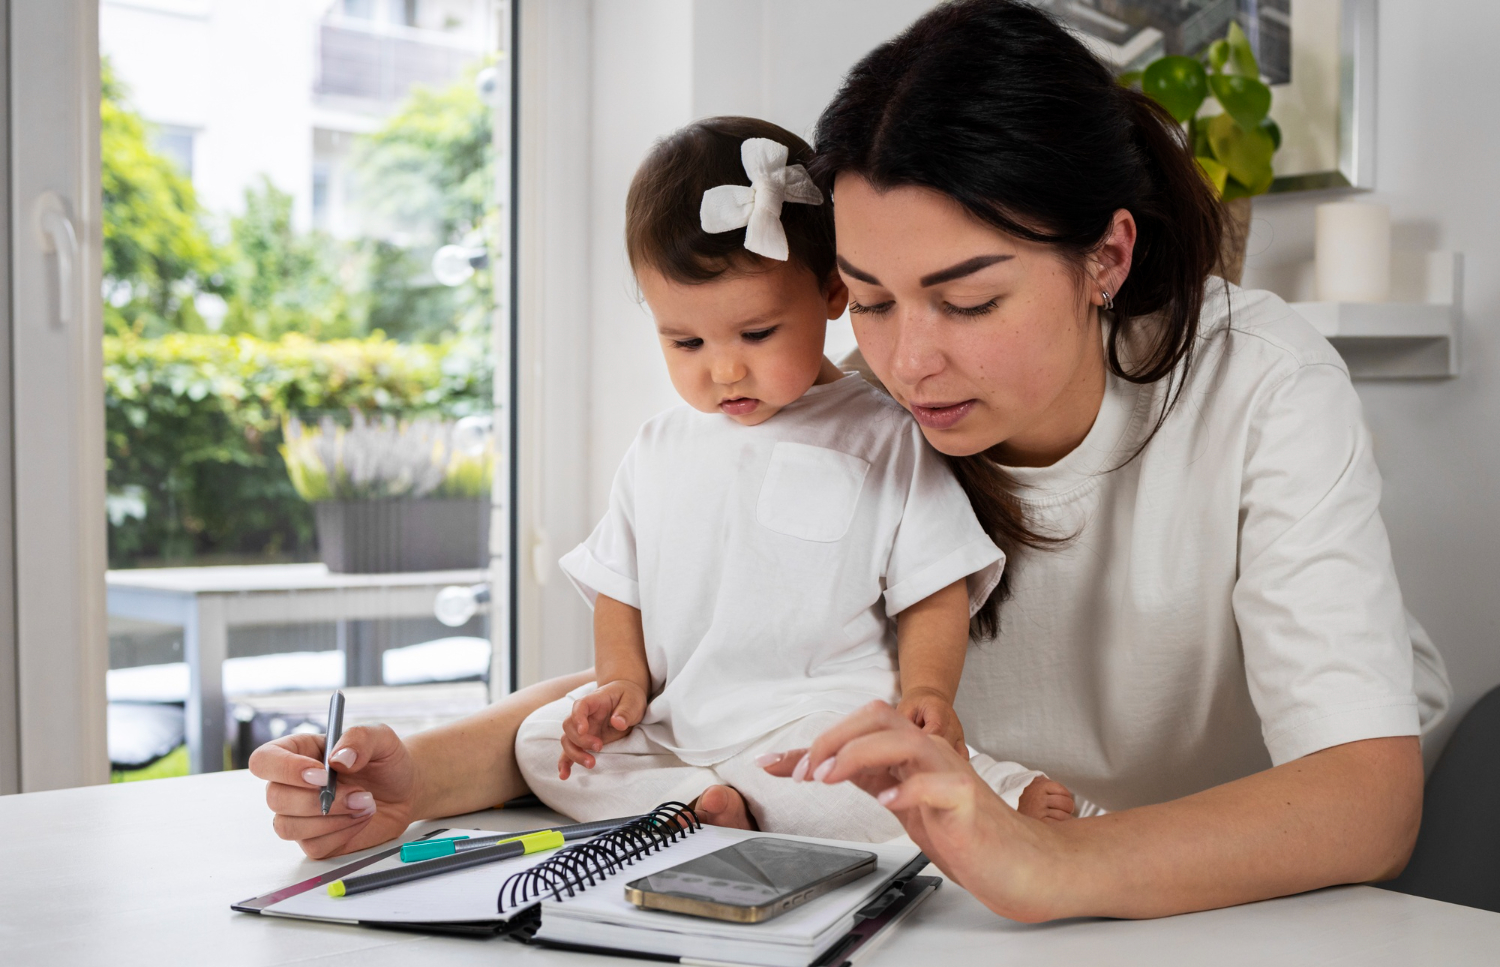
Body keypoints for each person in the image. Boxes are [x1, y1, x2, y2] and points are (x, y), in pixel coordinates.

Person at [751, 0, 1450, 919]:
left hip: (1271, 907)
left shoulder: (1260, 382)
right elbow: (709, 663)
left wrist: (1046, 863)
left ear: (1105, 258)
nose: (908, 364)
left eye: (968, 302)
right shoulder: (855, 421)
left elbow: (1368, 800)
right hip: (994, 908)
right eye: (872, 302)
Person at [513, 117, 1073, 840]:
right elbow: (619, 590)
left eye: (757, 334)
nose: (722, 369)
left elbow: (934, 585)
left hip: (816, 723)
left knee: (870, 780)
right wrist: (618, 685)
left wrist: (929, 691)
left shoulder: (884, 433)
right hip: (681, 721)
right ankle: (697, 799)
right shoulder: (658, 447)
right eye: (685, 341)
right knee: (538, 741)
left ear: (833, 293)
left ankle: (993, 790)